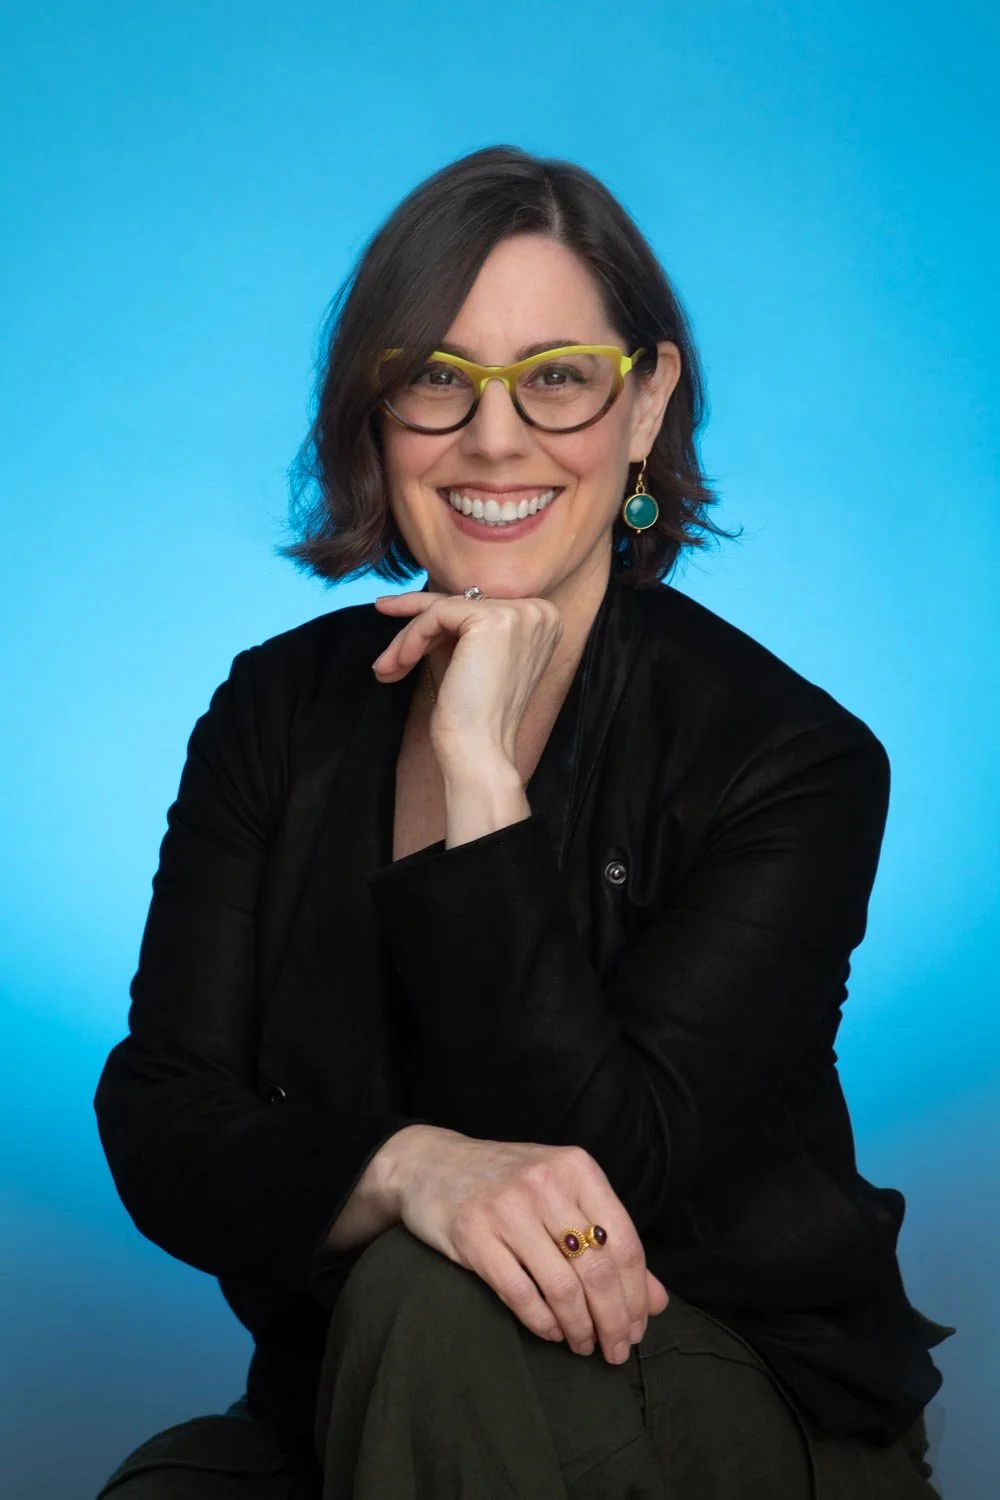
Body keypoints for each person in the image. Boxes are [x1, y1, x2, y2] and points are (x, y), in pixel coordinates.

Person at [93, 145, 954, 1499]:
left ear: (647, 401)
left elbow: (610, 1179)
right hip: (362, 1396)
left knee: (435, 1302)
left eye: (557, 377)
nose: (495, 439)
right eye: (438, 377)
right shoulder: (277, 711)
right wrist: (408, 1168)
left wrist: (482, 785)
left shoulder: (792, 760)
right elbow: (161, 1114)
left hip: (722, 1391)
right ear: (377, 412)